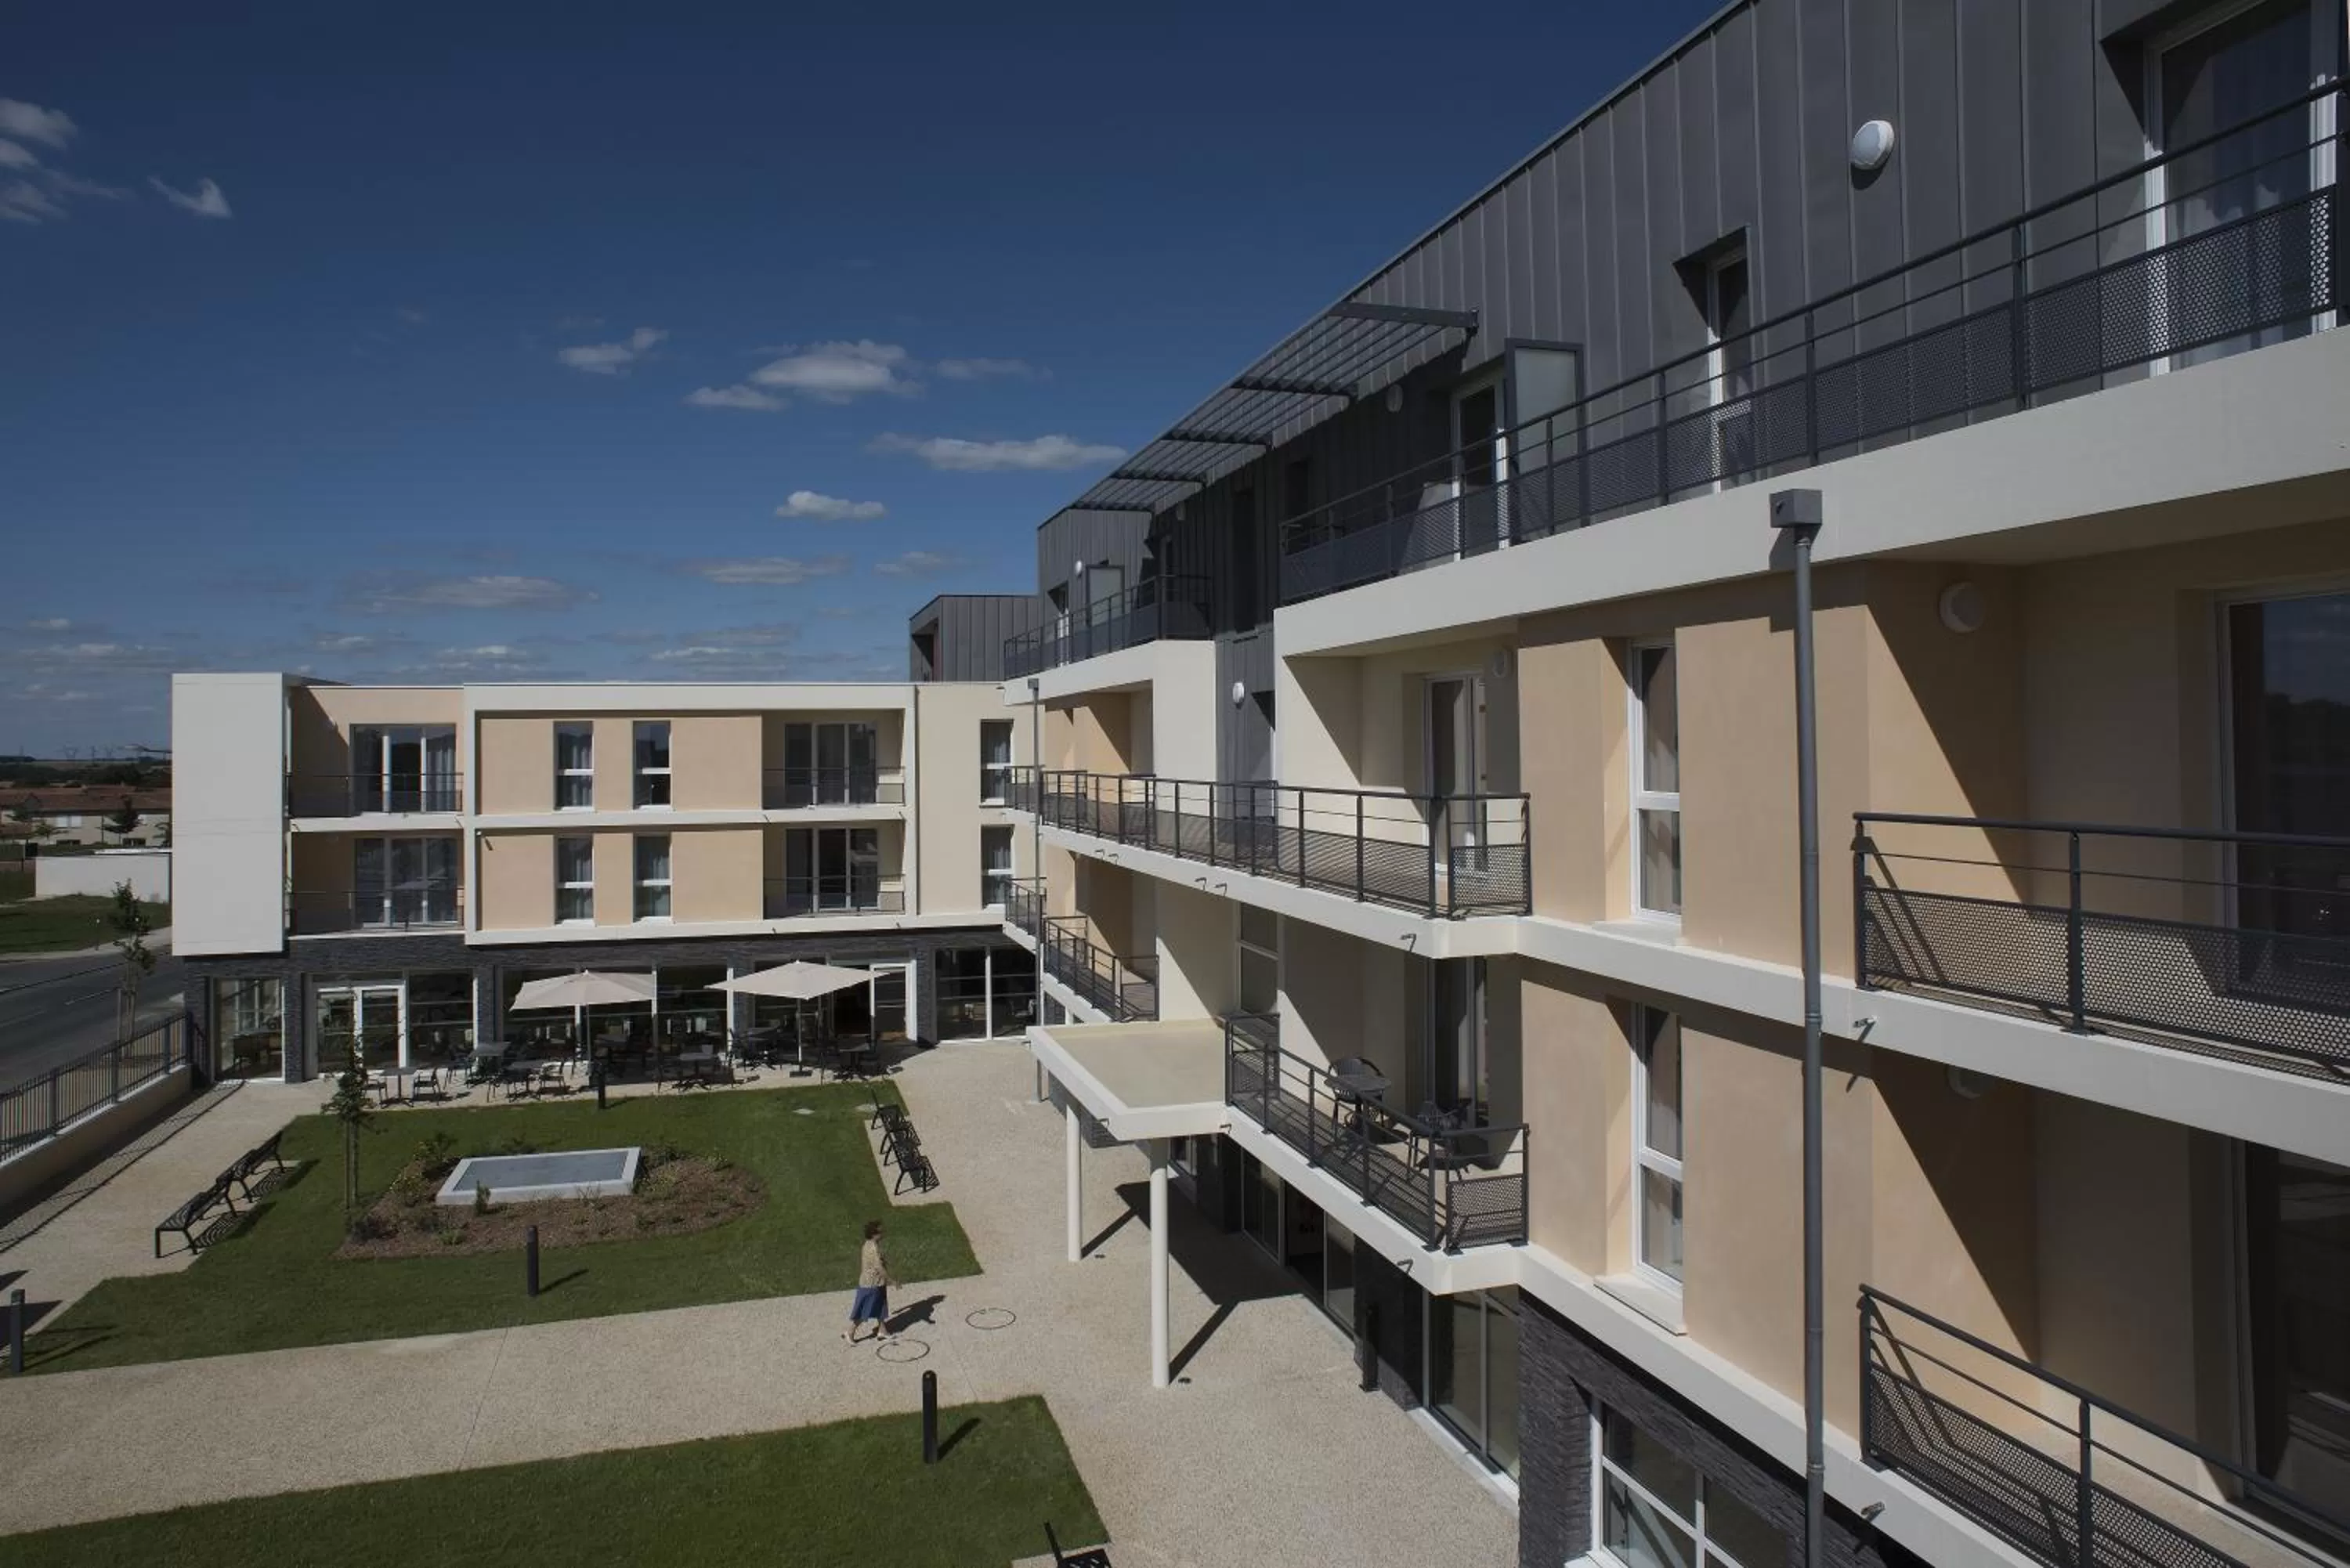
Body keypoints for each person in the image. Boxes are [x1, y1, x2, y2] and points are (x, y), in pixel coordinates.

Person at [844, 1217, 898, 1344]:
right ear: (874, 1234)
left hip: (875, 1283)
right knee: (866, 1310)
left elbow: (876, 1262)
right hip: (871, 1284)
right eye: (880, 1232)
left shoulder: (868, 1244)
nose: (883, 1233)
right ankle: (850, 1332)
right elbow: (879, 1268)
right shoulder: (874, 1249)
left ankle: (882, 1331)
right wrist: (892, 1281)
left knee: (881, 1306)